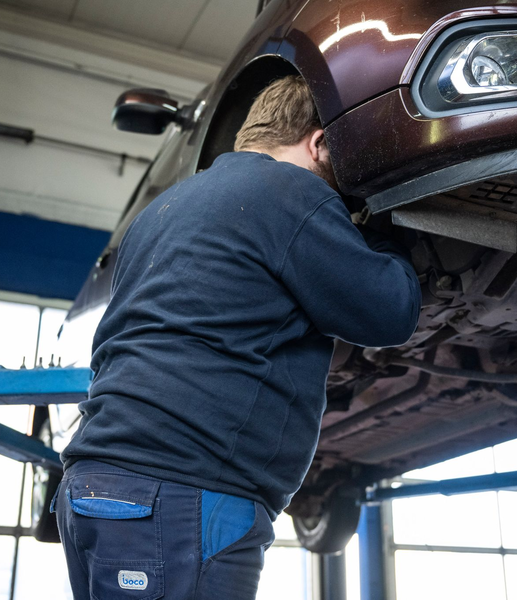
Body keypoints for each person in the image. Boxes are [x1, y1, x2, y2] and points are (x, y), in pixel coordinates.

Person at [53, 75, 422, 599]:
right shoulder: (290, 190)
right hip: (180, 492)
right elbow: (389, 312)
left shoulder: (161, 210)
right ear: (319, 143)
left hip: (93, 486)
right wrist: (387, 229)